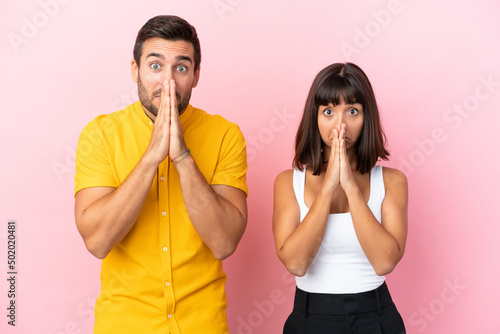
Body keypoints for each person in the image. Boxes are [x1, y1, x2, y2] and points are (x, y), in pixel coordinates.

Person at [74, 15, 248, 334]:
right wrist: (151, 157)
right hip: (124, 325)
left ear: (195, 75)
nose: (168, 81)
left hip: (202, 325)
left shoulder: (226, 135)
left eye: (181, 68)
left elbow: (224, 243)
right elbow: (98, 242)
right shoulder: (99, 134)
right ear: (135, 70)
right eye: (155, 66)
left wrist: (182, 157)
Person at [272, 62, 408, 333]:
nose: (340, 124)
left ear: (366, 117)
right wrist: (328, 186)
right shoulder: (288, 182)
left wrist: (350, 186)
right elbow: (296, 264)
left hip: (376, 317)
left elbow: (384, 262)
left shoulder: (392, 181)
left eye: (353, 111)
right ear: (315, 117)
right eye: (328, 111)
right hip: (310, 318)